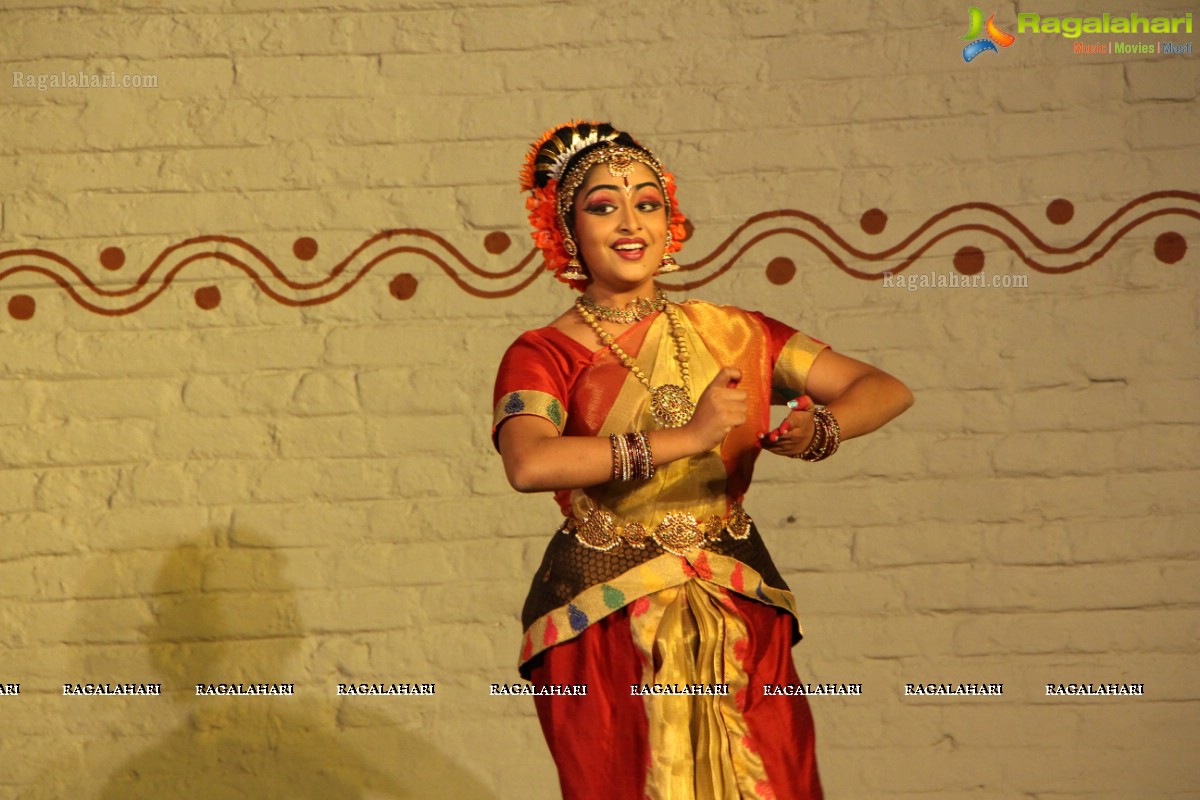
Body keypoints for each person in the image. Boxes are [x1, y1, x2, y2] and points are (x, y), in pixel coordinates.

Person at [492, 121, 913, 800]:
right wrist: (687, 439)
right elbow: (530, 464)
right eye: (603, 206)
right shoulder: (544, 352)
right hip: (603, 612)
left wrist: (822, 428)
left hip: (736, 600)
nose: (630, 223)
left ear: (671, 220)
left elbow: (885, 389)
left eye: (648, 203)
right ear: (567, 230)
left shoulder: (739, 333)